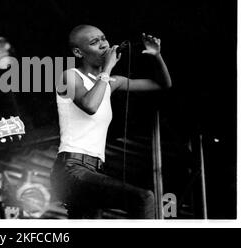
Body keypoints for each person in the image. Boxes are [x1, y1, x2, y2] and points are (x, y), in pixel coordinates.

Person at [51, 24, 172, 219]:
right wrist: (107, 67)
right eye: (94, 42)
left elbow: (163, 84)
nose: (103, 44)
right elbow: (90, 105)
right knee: (143, 198)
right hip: (71, 170)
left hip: (93, 169)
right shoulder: (69, 76)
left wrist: (156, 55)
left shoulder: (111, 82)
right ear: (78, 52)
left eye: (103, 38)